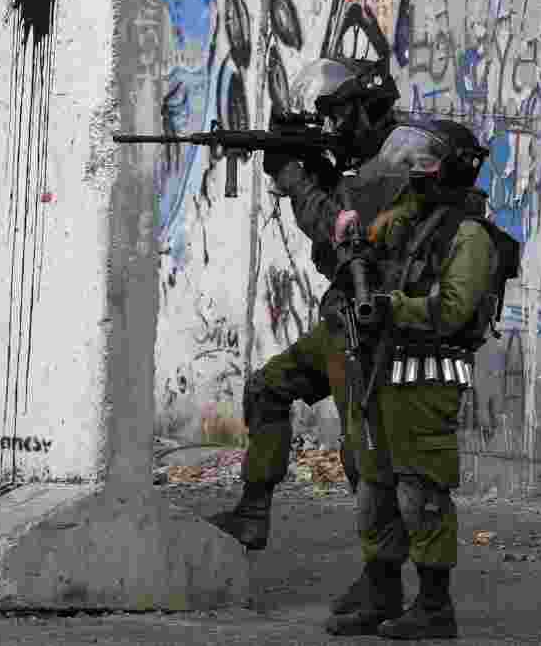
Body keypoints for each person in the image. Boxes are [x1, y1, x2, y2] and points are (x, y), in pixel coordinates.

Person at [208, 57, 400, 615]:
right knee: (267, 389)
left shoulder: (390, 165)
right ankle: (251, 513)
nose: (334, 127)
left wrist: (298, 183)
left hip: (368, 329)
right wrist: (310, 172)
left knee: (362, 453)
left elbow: (341, 234)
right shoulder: (360, 160)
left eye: (340, 114)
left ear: (367, 108)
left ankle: (382, 581)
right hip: (339, 321)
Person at [322, 118, 516, 639]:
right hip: (385, 368)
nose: (414, 171)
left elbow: (452, 311)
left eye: (424, 161)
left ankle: (434, 606)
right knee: (375, 487)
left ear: (449, 168)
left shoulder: (469, 235)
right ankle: (382, 593)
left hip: (427, 373)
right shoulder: (415, 218)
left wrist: (391, 307)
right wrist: (352, 235)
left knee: (420, 490)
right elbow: (369, 234)